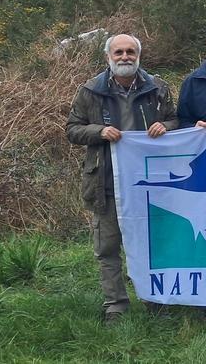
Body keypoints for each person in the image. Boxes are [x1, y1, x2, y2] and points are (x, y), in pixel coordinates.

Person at [66, 34, 178, 324]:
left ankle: (156, 299)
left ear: (138, 56)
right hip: (105, 182)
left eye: (130, 51)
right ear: (108, 57)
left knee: (153, 245)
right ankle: (115, 304)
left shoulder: (158, 88)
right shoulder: (90, 90)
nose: (125, 56)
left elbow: (177, 120)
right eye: (119, 52)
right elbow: (72, 130)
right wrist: (99, 132)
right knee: (108, 247)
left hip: (150, 184)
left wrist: (164, 126)